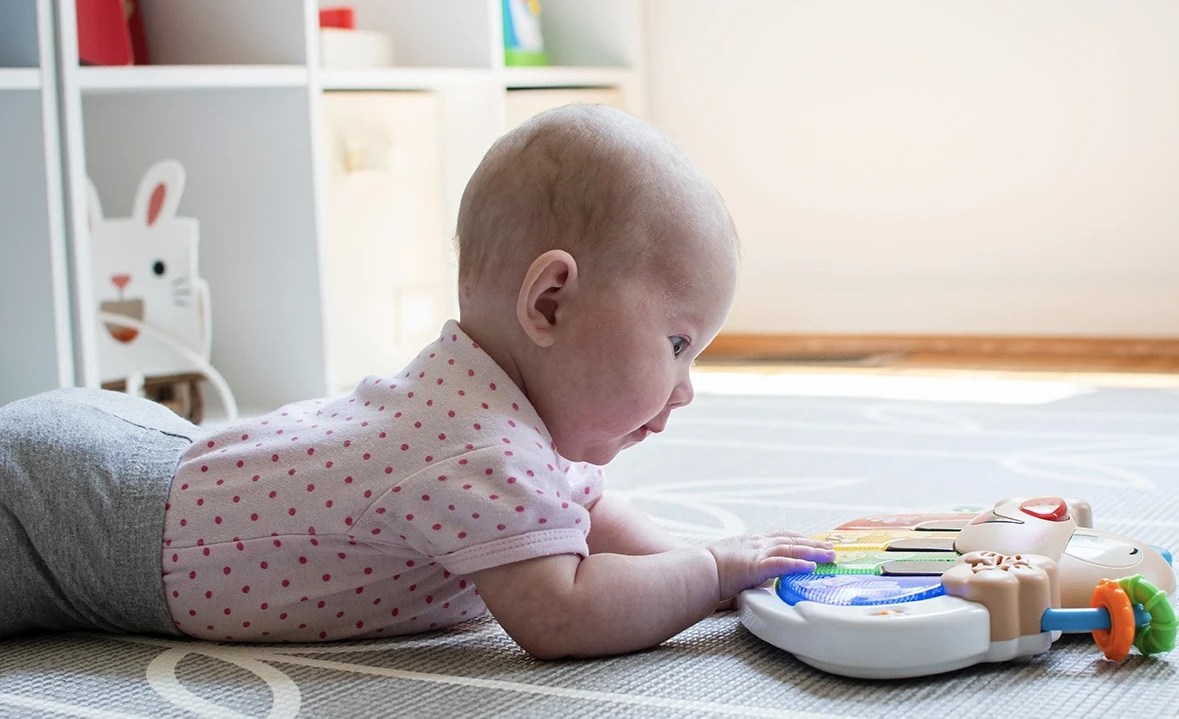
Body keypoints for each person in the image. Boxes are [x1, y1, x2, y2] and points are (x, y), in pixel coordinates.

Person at [0, 105, 834, 657]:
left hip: (140, 466)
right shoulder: (471, 446)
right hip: (75, 517)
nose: (686, 387)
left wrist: (717, 575)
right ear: (550, 302)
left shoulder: (494, 404)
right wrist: (714, 574)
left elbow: (588, 512)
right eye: (679, 342)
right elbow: (563, 609)